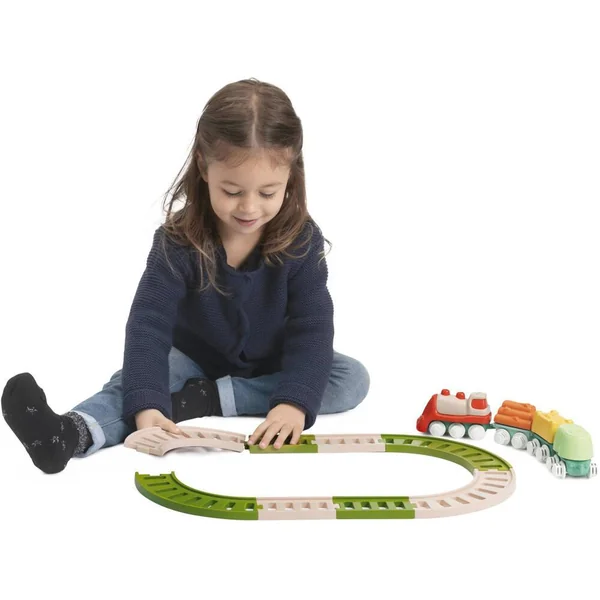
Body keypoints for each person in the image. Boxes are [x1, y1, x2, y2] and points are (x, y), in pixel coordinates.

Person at [2, 78, 370, 475]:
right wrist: (146, 404)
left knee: (351, 379)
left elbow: (313, 326)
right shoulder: (177, 241)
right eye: (232, 191)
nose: (249, 208)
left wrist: (293, 403)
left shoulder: (302, 240)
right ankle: (68, 434)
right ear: (204, 167)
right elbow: (148, 326)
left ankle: (204, 400)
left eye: (267, 193)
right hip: (192, 358)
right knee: (139, 380)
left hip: (273, 362)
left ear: (291, 175)